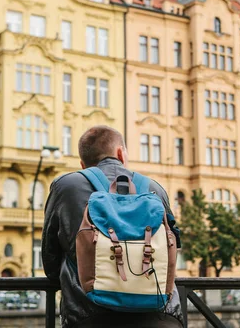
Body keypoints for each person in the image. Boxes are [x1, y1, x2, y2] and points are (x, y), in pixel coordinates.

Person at [42, 125, 183, 328]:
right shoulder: (154, 189)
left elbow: (50, 258)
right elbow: (172, 248)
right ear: (120, 153)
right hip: (160, 315)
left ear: (84, 165)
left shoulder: (66, 186)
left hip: (90, 315)